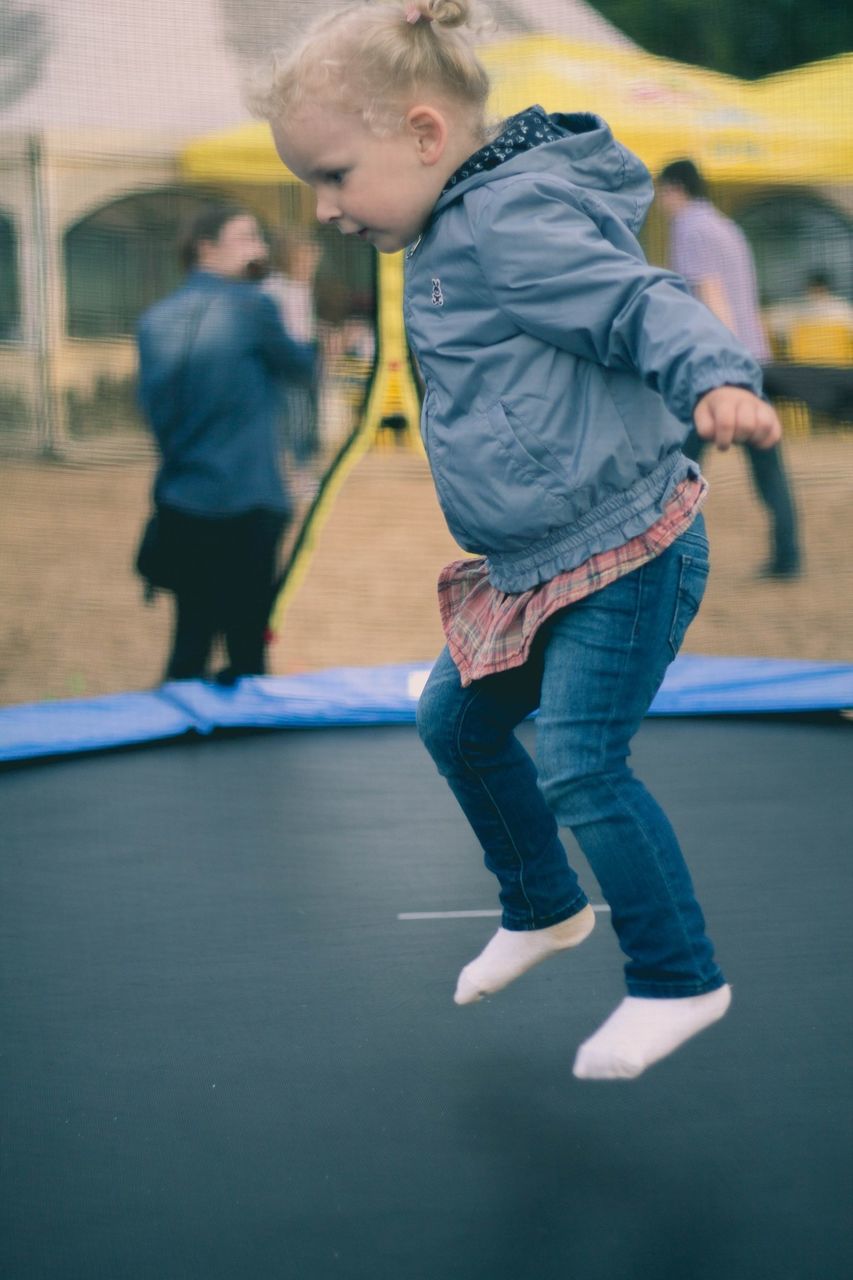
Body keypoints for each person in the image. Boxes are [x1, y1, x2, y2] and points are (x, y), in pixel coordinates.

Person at [254, 0, 782, 1080]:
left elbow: (640, 303)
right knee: (454, 720)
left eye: (335, 175)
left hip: (625, 548)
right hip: (536, 560)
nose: (325, 207)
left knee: (585, 764)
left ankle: (679, 976)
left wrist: (717, 374)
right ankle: (543, 903)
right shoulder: (449, 222)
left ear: (424, 135)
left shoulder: (509, 216)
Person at [136, 205, 316, 682]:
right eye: (245, 238)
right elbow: (302, 366)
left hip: (184, 501)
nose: (258, 249)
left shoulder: (155, 320)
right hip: (248, 502)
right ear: (205, 248)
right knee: (247, 649)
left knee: (190, 640)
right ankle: (250, 755)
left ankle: (176, 746)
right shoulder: (252, 308)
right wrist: (296, 292)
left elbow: (157, 416)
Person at [657, 158, 801, 579]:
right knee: (768, 465)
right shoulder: (726, 226)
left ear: (673, 188)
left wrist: (720, 363)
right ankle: (788, 555)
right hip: (752, 359)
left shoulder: (690, 226)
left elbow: (711, 295)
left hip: (718, 368)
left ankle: (652, 552)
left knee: (676, 463)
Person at [262, 230, 324, 476]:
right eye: (305, 260)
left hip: (307, 356)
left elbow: (304, 324)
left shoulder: (302, 287)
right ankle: (295, 470)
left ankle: (303, 466)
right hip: (288, 360)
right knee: (294, 418)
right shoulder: (274, 287)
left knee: (308, 415)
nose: (310, 266)